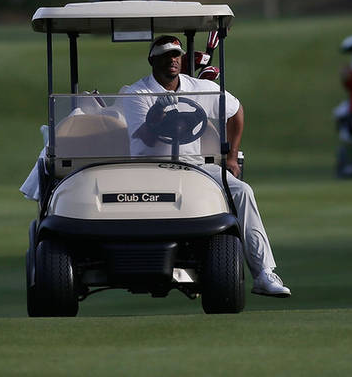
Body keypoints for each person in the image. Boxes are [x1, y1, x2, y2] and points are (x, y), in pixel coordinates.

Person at [120, 35, 291, 297]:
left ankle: (264, 273)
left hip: (193, 165)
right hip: (148, 167)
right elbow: (144, 137)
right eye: (166, 55)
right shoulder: (137, 93)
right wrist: (156, 116)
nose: (173, 60)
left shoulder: (196, 87)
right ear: (152, 60)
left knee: (242, 191)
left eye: (176, 54)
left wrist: (231, 156)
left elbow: (235, 110)